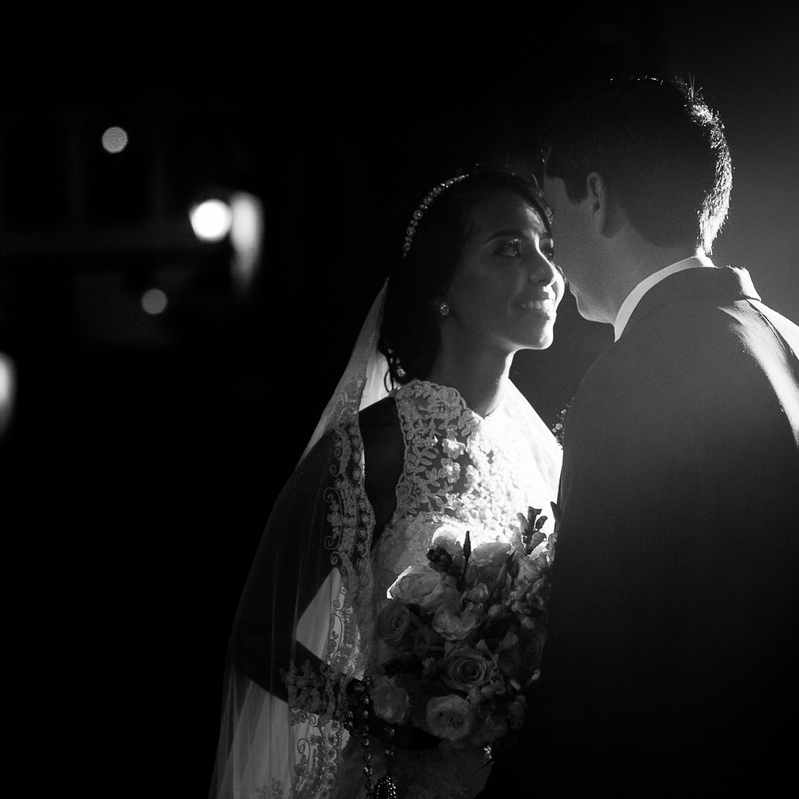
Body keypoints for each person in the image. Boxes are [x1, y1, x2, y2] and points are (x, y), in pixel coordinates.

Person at [479, 76, 799, 797]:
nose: (553, 252)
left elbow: (603, 659)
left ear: (596, 195)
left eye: (553, 216)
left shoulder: (638, 372)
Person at [208, 168, 568, 799]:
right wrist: (380, 712)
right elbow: (257, 638)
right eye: (509, 248)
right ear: (440, 290)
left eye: (547, 250)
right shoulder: (376, 442)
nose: (545, 271)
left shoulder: (542, 449)